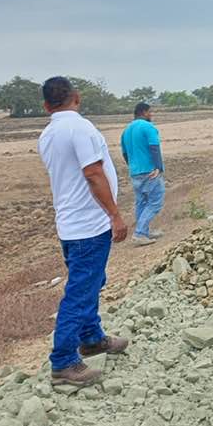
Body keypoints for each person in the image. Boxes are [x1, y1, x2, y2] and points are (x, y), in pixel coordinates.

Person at [38, 76, 129, 387]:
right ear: (76, 97)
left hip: (70, 225)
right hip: (88, 226)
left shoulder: (48, 134)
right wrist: (115, 215)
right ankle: (64, 362)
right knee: (80, 293)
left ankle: (91, 338)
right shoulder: (80, 128)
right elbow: (92, 173)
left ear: (46, 105)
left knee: (90, 283)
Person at [120, 102, 165, 246]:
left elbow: (125, 153)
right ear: (144, 112)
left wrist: (133, 167)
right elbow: (154, 147)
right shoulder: (148, 127)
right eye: (150, 112)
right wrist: (158, 167)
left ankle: (144, 231)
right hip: (150, 171)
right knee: (155, 202)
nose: (151, 114)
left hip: (135, 173)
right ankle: (140, 233)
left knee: (141, 202)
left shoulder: (126, 131)